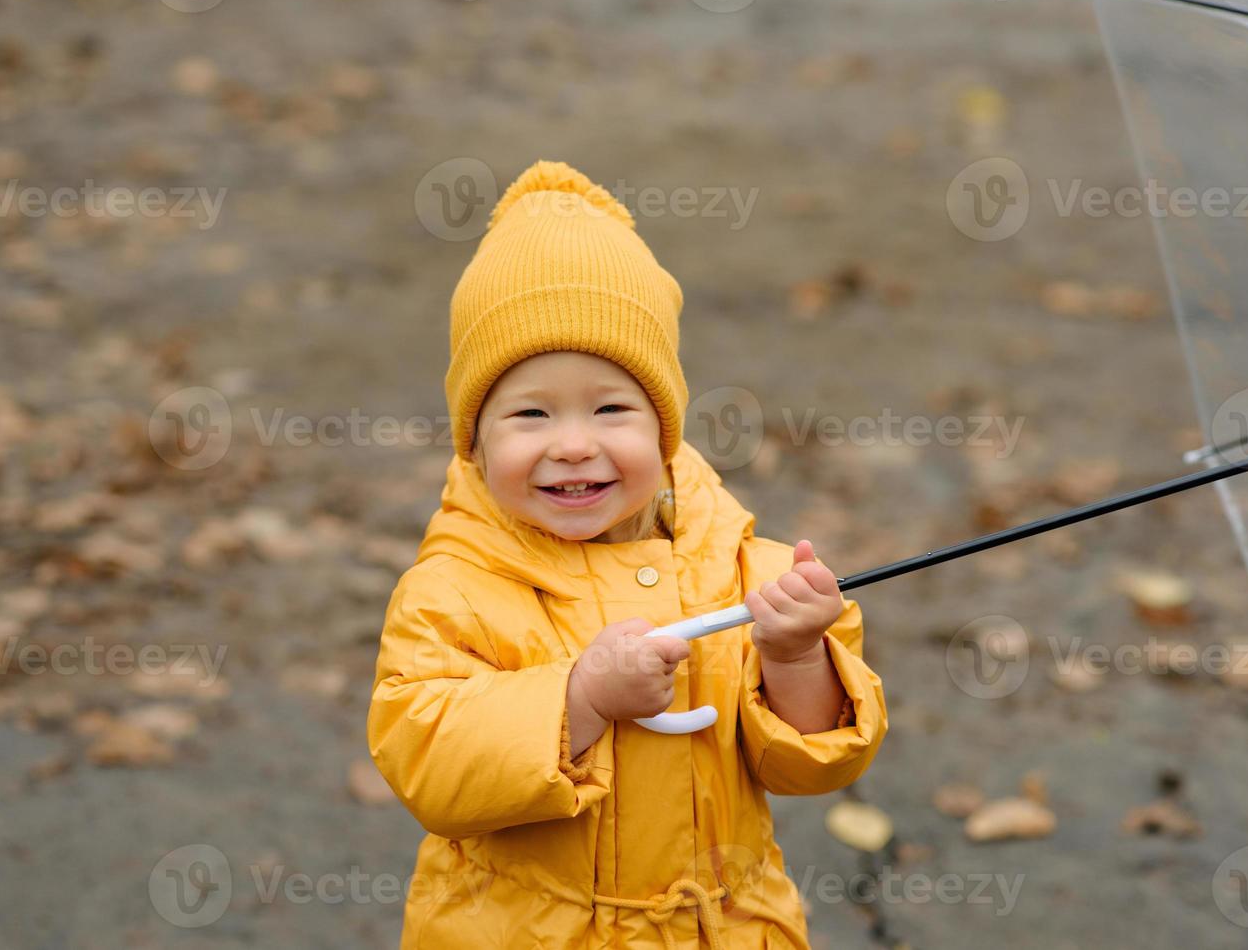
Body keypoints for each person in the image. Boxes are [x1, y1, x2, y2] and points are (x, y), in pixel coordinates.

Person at [367, 159, 889, 949]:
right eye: (530, 414)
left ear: (663, 428)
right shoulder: (452, 589)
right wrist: (579, 698)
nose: (573, 445)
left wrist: (794, 653)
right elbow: (429, 763)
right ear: (473, 441)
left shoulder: (747, 571)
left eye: (612, 409)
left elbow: (813, 768)